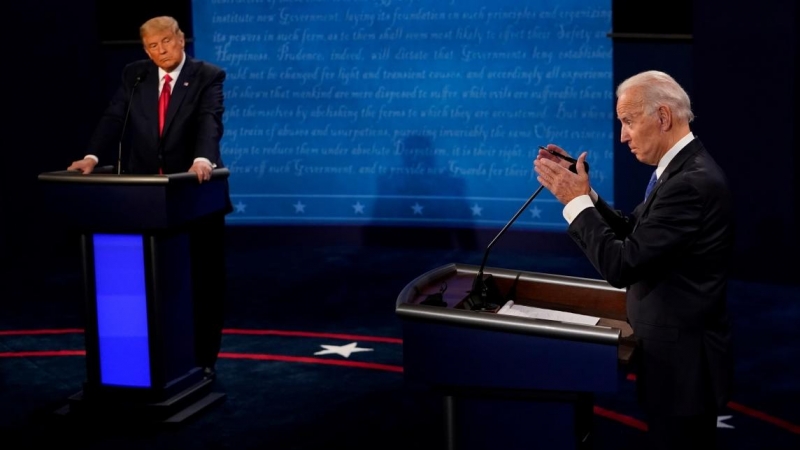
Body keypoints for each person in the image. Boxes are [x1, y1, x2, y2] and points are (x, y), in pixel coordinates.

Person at [533, 70, 735, 449]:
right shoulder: (680, 170)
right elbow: (638, 234)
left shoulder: (690, 183)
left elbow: (623, 265)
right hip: (672, 362)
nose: (623, 135)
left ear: (662, 117)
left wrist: (574, 203)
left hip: (684, 371)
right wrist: (588, 197)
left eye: (628, 121)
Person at [68, 16, 231, 380]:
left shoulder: (208, 75)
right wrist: (92, 156)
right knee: (149, 283)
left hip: (194, 194)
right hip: (142, 199)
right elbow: (114, 117)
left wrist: (203, 158)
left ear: (181, 39)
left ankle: (204, 359)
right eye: (152, 46)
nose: (161, 52)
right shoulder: (135, 75)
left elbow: (210, 119)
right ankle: (150, 360)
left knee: (202, 281)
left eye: (166, 43)